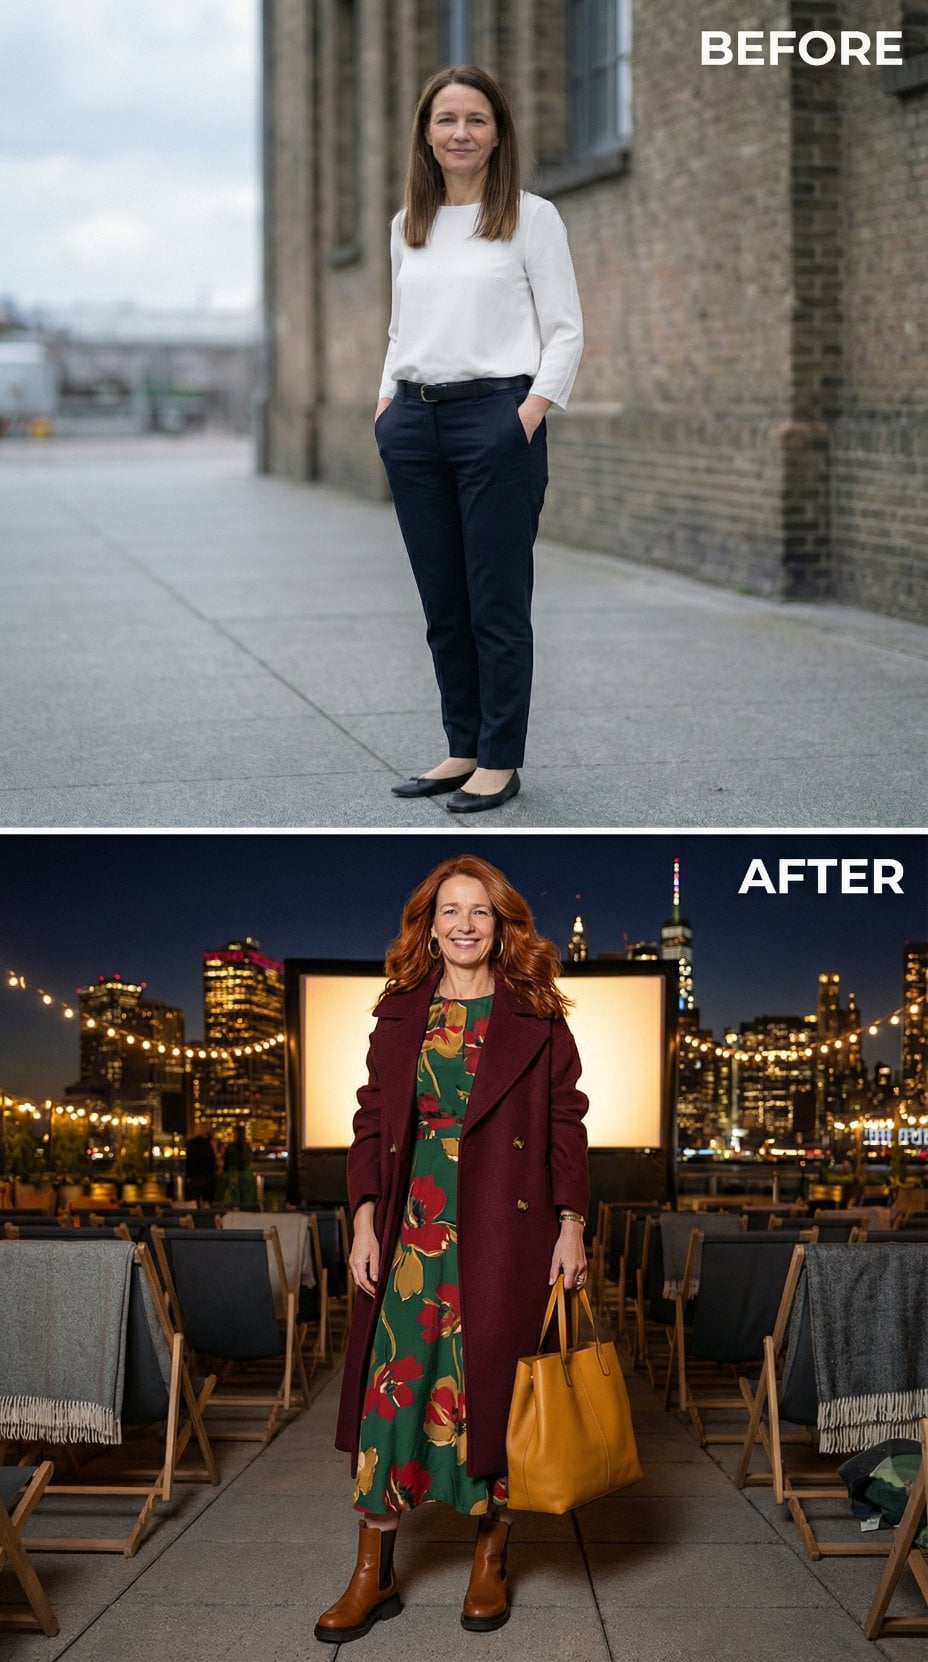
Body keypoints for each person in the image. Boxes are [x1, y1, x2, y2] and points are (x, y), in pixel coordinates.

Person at [315, 855, 589, 1644]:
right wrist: (365, 1218)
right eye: (449, 911)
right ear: (429, 927)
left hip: (507, 1227)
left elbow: (566, 1122)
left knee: (490, 1388)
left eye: (479, 911)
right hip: (412, 1221)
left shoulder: (537, 1012)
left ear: (501, 925)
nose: (464, 924)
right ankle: (373, 1570)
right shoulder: (401, 1010)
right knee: (393, 1385)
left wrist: (571, 1221)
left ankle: (490, 1559)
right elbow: (370, 1120)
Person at [376, 66, 584, 814]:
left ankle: (500, 759)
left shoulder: (533, 218)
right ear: (425, 135)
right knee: (443, 604)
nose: (460, 133)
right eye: (445, 119)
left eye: (476, 120)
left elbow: (565, 331)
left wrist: (524, 417)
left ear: (498, 133)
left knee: (496, 603)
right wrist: (384, 408)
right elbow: (402, 328)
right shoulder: (408, 226)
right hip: (414, 422)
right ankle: (461, 746)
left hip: (496, 421)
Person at [217, 1121, 256, 1206]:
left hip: (233, 1177)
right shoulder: (247, 1147)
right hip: (246, 1177)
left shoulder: (231, 1147)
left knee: (232, 1201)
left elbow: (226, 1164)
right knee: (246, 1201)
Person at [183, 1119, 217, 1205]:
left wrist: (188, 1176)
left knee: (194, 1201)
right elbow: (212, 1161)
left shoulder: (190, 1144)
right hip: (207, 1177)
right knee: (207, 1202)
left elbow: (188, 1161)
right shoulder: (209, 1144)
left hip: (194, 1177)